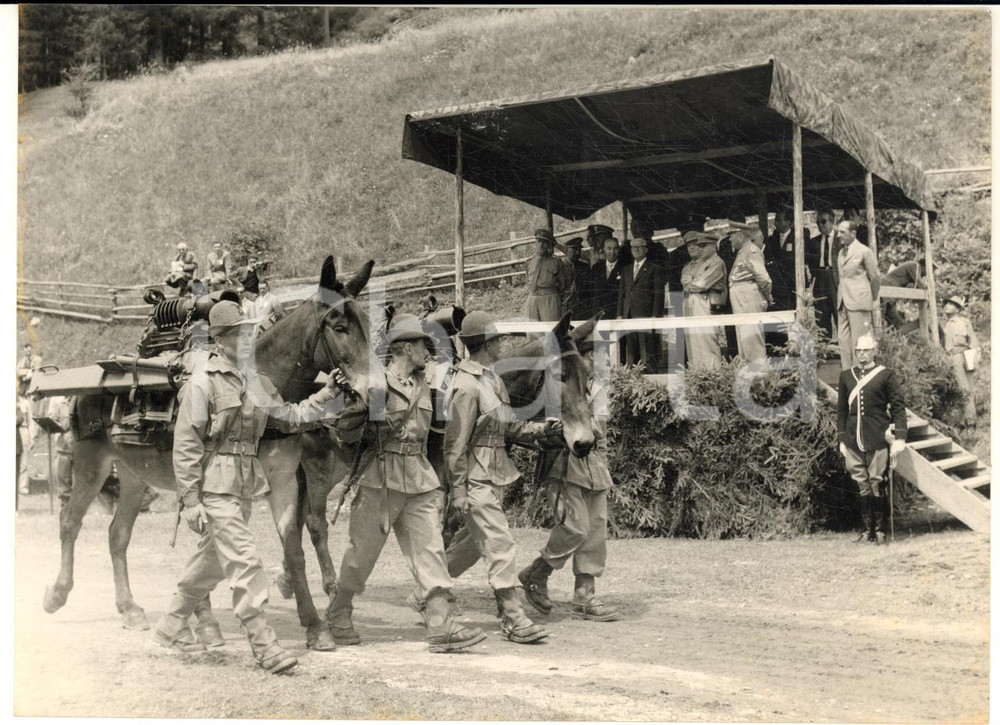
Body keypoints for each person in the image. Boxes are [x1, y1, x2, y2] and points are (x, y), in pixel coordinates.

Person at [153, 301, 347, 673]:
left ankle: (170, 626)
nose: (246, 339)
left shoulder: (256, 382)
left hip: (242, 485)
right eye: (238, 334)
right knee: (245, 562)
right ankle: (264, 644)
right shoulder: (203, 383)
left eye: (248, 332)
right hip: (214, 486)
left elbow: (290, 417)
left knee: (210, 564)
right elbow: (187, 444)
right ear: (219, 340)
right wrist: (191, 500)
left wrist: (326, 393)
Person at [325, 314, 486, 653]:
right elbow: (343, 430)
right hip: (381, 479)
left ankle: (440, 624)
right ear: (407, 348)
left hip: (419, 477)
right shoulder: (375, 383)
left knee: (431, 551)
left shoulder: (425, 385)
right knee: (361, 554)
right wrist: (355, 405)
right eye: (424, 346)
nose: (428, 352)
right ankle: (339, 611)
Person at [442, 311, 560, 644]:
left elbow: (510, 427)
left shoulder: (492, 380)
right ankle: (513, 617)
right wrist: (458, 489)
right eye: (498, 339)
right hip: (475, 477)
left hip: (493, 474)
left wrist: (541, 430)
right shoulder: (465, 386)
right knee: (499, 543)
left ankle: (425, 593)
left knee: (469, 547)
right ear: (485, 344)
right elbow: (455, 445)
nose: (503, 344)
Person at [519, 335, 621, 622]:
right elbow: (537, 424)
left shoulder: (598, 390)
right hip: (562, 464)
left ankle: (584, 597)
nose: (595, 361)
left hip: (594, 468)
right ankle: (537, 573)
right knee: (574, 528)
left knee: (595, 534)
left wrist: (603, 466)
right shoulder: (554, 385)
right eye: (590, 354)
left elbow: (602, 436)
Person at [837, 334, 907, 544]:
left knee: (877, 482)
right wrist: (842, 439)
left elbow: (898, 407)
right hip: (853, 439)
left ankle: (880, 530)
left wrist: (900, 437)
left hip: (877, 436)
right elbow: (841, 411)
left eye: (866, 350)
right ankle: (867, 530)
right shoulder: (846, 376)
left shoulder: (886, 375)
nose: (862, 355)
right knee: (861, 483)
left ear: (874, 351)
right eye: (858, 351)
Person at [835, 220, 880, 370]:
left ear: (853, 233)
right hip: (843, 302)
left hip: (859, 302)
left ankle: (860, 375)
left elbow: (875, 278)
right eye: (838, 232)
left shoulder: (864, 251)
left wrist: (870, 297)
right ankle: (847, 374)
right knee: (843, 340)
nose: (838, 235)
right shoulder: (841, 253)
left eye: (842, 232)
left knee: (860, 342)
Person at [617, 235, 665, 372]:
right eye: (633, 247)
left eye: (639, 247)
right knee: (631, 348)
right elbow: (622, 294)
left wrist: (655, 315)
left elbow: (658, 294)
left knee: (647, 349)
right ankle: (632, 376)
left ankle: (650, 377)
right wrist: (620, 314)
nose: (636, 250)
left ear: (646, 250)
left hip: (646, 314)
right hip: (629, 314)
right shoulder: (626, 269)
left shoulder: (654, 268)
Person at [680, 232, 726, 370]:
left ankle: (713, 372)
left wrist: (691, 282)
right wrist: (692, 282)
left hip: (706, 301)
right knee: (693, 339)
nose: (699, 248)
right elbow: (684, 281)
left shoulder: (716, 262)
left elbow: (701, 284)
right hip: (692, 300)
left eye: (702, 246)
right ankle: (698, 371)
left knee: (707, 339)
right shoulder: (690, 265)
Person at [728, 229, 773, 363]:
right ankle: (748, 368)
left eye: (732, 235)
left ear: (741, 236)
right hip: (741, 296)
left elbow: (763, 278)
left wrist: (767, 295)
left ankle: (757, 370)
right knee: (744, 335)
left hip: (748, 296)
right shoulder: (743, 251)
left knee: (751, 336)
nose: (730, 239)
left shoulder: (752, 251)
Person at [940, 296, 981, 427]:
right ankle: (966, 419)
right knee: (962, 386)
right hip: (954, 356)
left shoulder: (964, 322)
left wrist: (975, 358)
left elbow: (973, 340)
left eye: (951, 304)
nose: (947, 306)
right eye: (947, 303)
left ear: (957, 309)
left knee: (967, 386)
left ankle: (970, 420)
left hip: (966, 354)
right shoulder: (945, 324)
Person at [764, 206, 805, 312]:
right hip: (778, 287)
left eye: (779, 220)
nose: (775, 223)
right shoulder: (772, 239)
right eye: (775, 220)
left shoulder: (798, 237)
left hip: (794, 285)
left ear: (789, 222)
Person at [525, 229, 571, 322]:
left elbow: (563, 285)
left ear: (549, 244)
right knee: (532, 329)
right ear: (535, 242)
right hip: (533, 299)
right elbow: (527, 281)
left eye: (544, 242)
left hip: (550, 298)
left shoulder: (556, 261)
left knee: (551, 328)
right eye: (539, 241)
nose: (541, 245)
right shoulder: (529, 262)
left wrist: (559, 300)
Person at [806, 207, 838, 339]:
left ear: (832, 221)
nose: (820, 225)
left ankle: (846, 347)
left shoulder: (841, 239)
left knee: (839, 315)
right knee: (821, 317)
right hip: (820, 281)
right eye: (818, 222)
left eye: (823, 221)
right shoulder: (813, 242)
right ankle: (825, 347)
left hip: (836, 281)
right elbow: (809, 263)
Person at [880, 258, 931, 331]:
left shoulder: (912, 267)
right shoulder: (914, 265)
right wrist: (928, 292)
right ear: (924, 267)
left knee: (897, 323)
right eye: (926, 272)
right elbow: (920, 284)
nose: (925, 275)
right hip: (886, 289)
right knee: (880, 317)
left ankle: (892, 335)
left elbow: (915, 288)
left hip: (890, 298)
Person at [591, 236, 624, 320]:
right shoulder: (596, 267)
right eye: (609, 248)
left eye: (615, 249)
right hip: (599, 314)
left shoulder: (624, 268)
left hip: (616, 314)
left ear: (619, 250)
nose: (612, 252)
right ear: (604, 250)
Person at [560, 237, 593, 319]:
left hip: (583, 309)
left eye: (579, 249)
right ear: (567, 250)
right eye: (574, 249)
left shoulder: (585, 267)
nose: (578, 252)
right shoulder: (560, 267)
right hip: (566, 309)